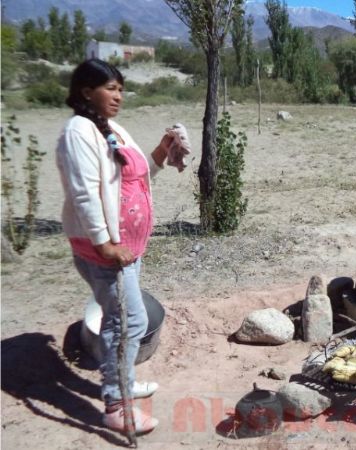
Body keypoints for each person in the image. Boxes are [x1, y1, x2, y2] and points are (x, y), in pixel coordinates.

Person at [57, 59, 188, 433]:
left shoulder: (110, 128)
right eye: (110, 88)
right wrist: (105, 244)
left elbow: (134, 175)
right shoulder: (78, 132)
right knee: (126, 322)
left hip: (129, 246)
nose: (118, 95)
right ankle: (116, 404)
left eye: (120, 88)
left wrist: (162, 151)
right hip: (106, 251)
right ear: (86, 92)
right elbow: (84, 194)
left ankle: (124, 383)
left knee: (128, 319)